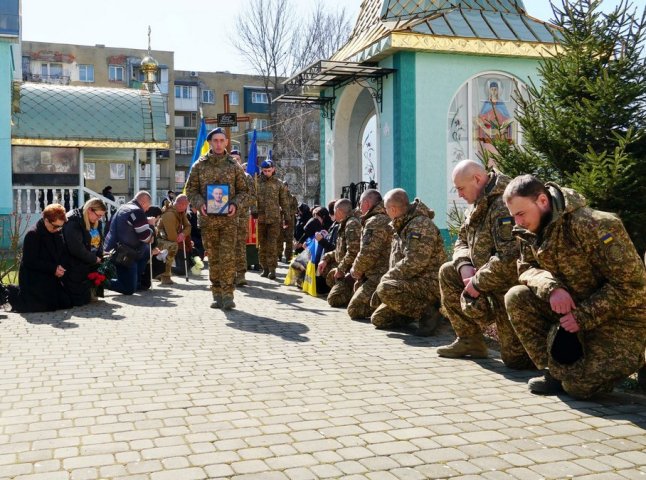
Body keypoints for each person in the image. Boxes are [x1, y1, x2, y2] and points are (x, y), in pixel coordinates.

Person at [503, 175, 646, 398]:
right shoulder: (528, 229)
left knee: (578, 387)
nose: (517, 222)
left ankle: (635, 357)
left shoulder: (595, 224)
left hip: (619, 318)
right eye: (513, 216)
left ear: (542, 201)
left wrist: (582, 316)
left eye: (521, 214)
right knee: (517, 297)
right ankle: (554, 372)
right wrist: (552, 288)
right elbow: (526, 268)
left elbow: (631, 285)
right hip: (573, 310)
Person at [437, 160, 533, 367]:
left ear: (478, 179)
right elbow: (461, 240)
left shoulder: (504, 204)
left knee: (516, 360)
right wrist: (464, 267)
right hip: (479, 277)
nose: (459, 195)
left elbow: (510, 257)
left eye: (461, 188)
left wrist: (477, 281)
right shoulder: (476, 205)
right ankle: (469, 340)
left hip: (506, 285)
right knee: (448, 271)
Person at [185, 127, 249, 310]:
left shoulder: (234, 165)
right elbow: (191, 190)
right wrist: (199, 204)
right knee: (213, 258)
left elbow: (245, 191)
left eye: (222, 140)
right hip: (208, 220)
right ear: (210, 143)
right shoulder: (199, 165)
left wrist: (235, 204)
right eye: (215, 141)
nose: (219, 144)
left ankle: (228, 294)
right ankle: (217, 294)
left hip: (229, 221)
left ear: (226, 142)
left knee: (228, 257)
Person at [371, 189, 446, 335]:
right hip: (411, 283)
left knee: (385, 289)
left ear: (392, 209)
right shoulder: (402, 223)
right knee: (379, 319)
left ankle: (430, 312)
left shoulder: (419, 225)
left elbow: (414, 262)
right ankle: (415, 312)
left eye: (385, 209)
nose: (385, 213)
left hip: (428, 283)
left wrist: (386, 279)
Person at [3, 204, 72, 312]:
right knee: (42, 307)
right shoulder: (33, 234)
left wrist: (60, 267)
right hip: (34, 276)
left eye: (60, 227)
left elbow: (63, 252)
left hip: (51, 274)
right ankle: (14, 293)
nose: (57, 229)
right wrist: (53, 268)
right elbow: (30, 262)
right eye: (55, 226)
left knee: (66, 302)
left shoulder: (57, 231)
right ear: (46, 220)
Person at [347, 190, 393, 321]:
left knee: (354, 310)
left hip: (379, 275)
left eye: (360, 203)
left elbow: (367, 253)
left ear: (366, 203)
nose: (359, 206)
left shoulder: (375, 221)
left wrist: (355, 270)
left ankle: (391, 308)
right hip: (377, 273)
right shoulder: (382, 217)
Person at [104, 191, 154, 295]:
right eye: (148, 206)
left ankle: (136, 281)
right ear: (143, 201)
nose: (147, 209)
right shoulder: (137, 212)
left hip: (115, 249)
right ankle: (100, 282)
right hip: (125, 254)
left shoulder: (123, 208)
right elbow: (146, 237)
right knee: (129, 289)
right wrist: (151, 226)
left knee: (146, 250)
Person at [62, 198, 108, 306]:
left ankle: (93, 292)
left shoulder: (96, 221)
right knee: (79, 301)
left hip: (90, 262)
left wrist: (100, 256)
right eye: (98, 215)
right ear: (90, 210)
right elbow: (76, 248)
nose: (100, 218)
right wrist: (94, 258)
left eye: (101, 216)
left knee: (86, 299)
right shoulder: (73, 220)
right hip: (74, 265)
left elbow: (99, 241)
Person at [322, 199, 361, 308]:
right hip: (344, 265)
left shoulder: (351, 224)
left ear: (338, 211)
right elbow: (340, 250)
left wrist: (341, 269)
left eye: (334, 211)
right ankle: (345, 289)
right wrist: (326, 258)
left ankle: (351, 292)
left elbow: (353, 252)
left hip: (351, 269)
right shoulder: (343, 223)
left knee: (333, 300)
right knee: (326, 272)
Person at [255, 159, 289, 279]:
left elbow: (284, 201)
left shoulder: (279, 183)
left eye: (269, 170)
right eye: (264, 171)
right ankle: (264, 267)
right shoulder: (257, 182)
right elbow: (252, 198)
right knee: (262, 244)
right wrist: (254, 211)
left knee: (272, 244)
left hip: (274, 219)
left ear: (273, 169)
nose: (267, 173)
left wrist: (287, 217)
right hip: (261, 218)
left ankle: (273, 269)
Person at [230, 148, 256, 286]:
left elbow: (252, 198)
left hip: (241, 216)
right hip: (225, 217)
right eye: (232, 158)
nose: (235, 161)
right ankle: (228, 274)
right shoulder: (224, 176)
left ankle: (240, 274)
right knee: (227, 245)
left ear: (241, 161)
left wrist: (238, 203)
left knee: (239, 245)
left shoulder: (247, 177)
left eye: (237, 159)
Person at [156, 194, 191, 285]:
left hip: (168, 239)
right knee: (173, 245)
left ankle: (163, 274)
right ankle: (165, 275)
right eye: (186, 205)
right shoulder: (170, 214)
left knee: (173, 244)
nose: (186, 208)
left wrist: (183, 234)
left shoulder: (179, 212)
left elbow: (188, 226)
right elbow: (172, 238)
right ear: (181, 205)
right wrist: (180, 237)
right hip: (159, 240)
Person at [277, 182, 299, 263]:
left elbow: (295, 209)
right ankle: (279, 254)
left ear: (287, 187)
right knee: (279, 238)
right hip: (280, 221)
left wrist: (287, 212)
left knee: (289, 239)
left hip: (289, 221)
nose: (284, 188)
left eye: (285, 186)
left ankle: (288, 256)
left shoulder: (292, 198)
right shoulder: (278, 197)